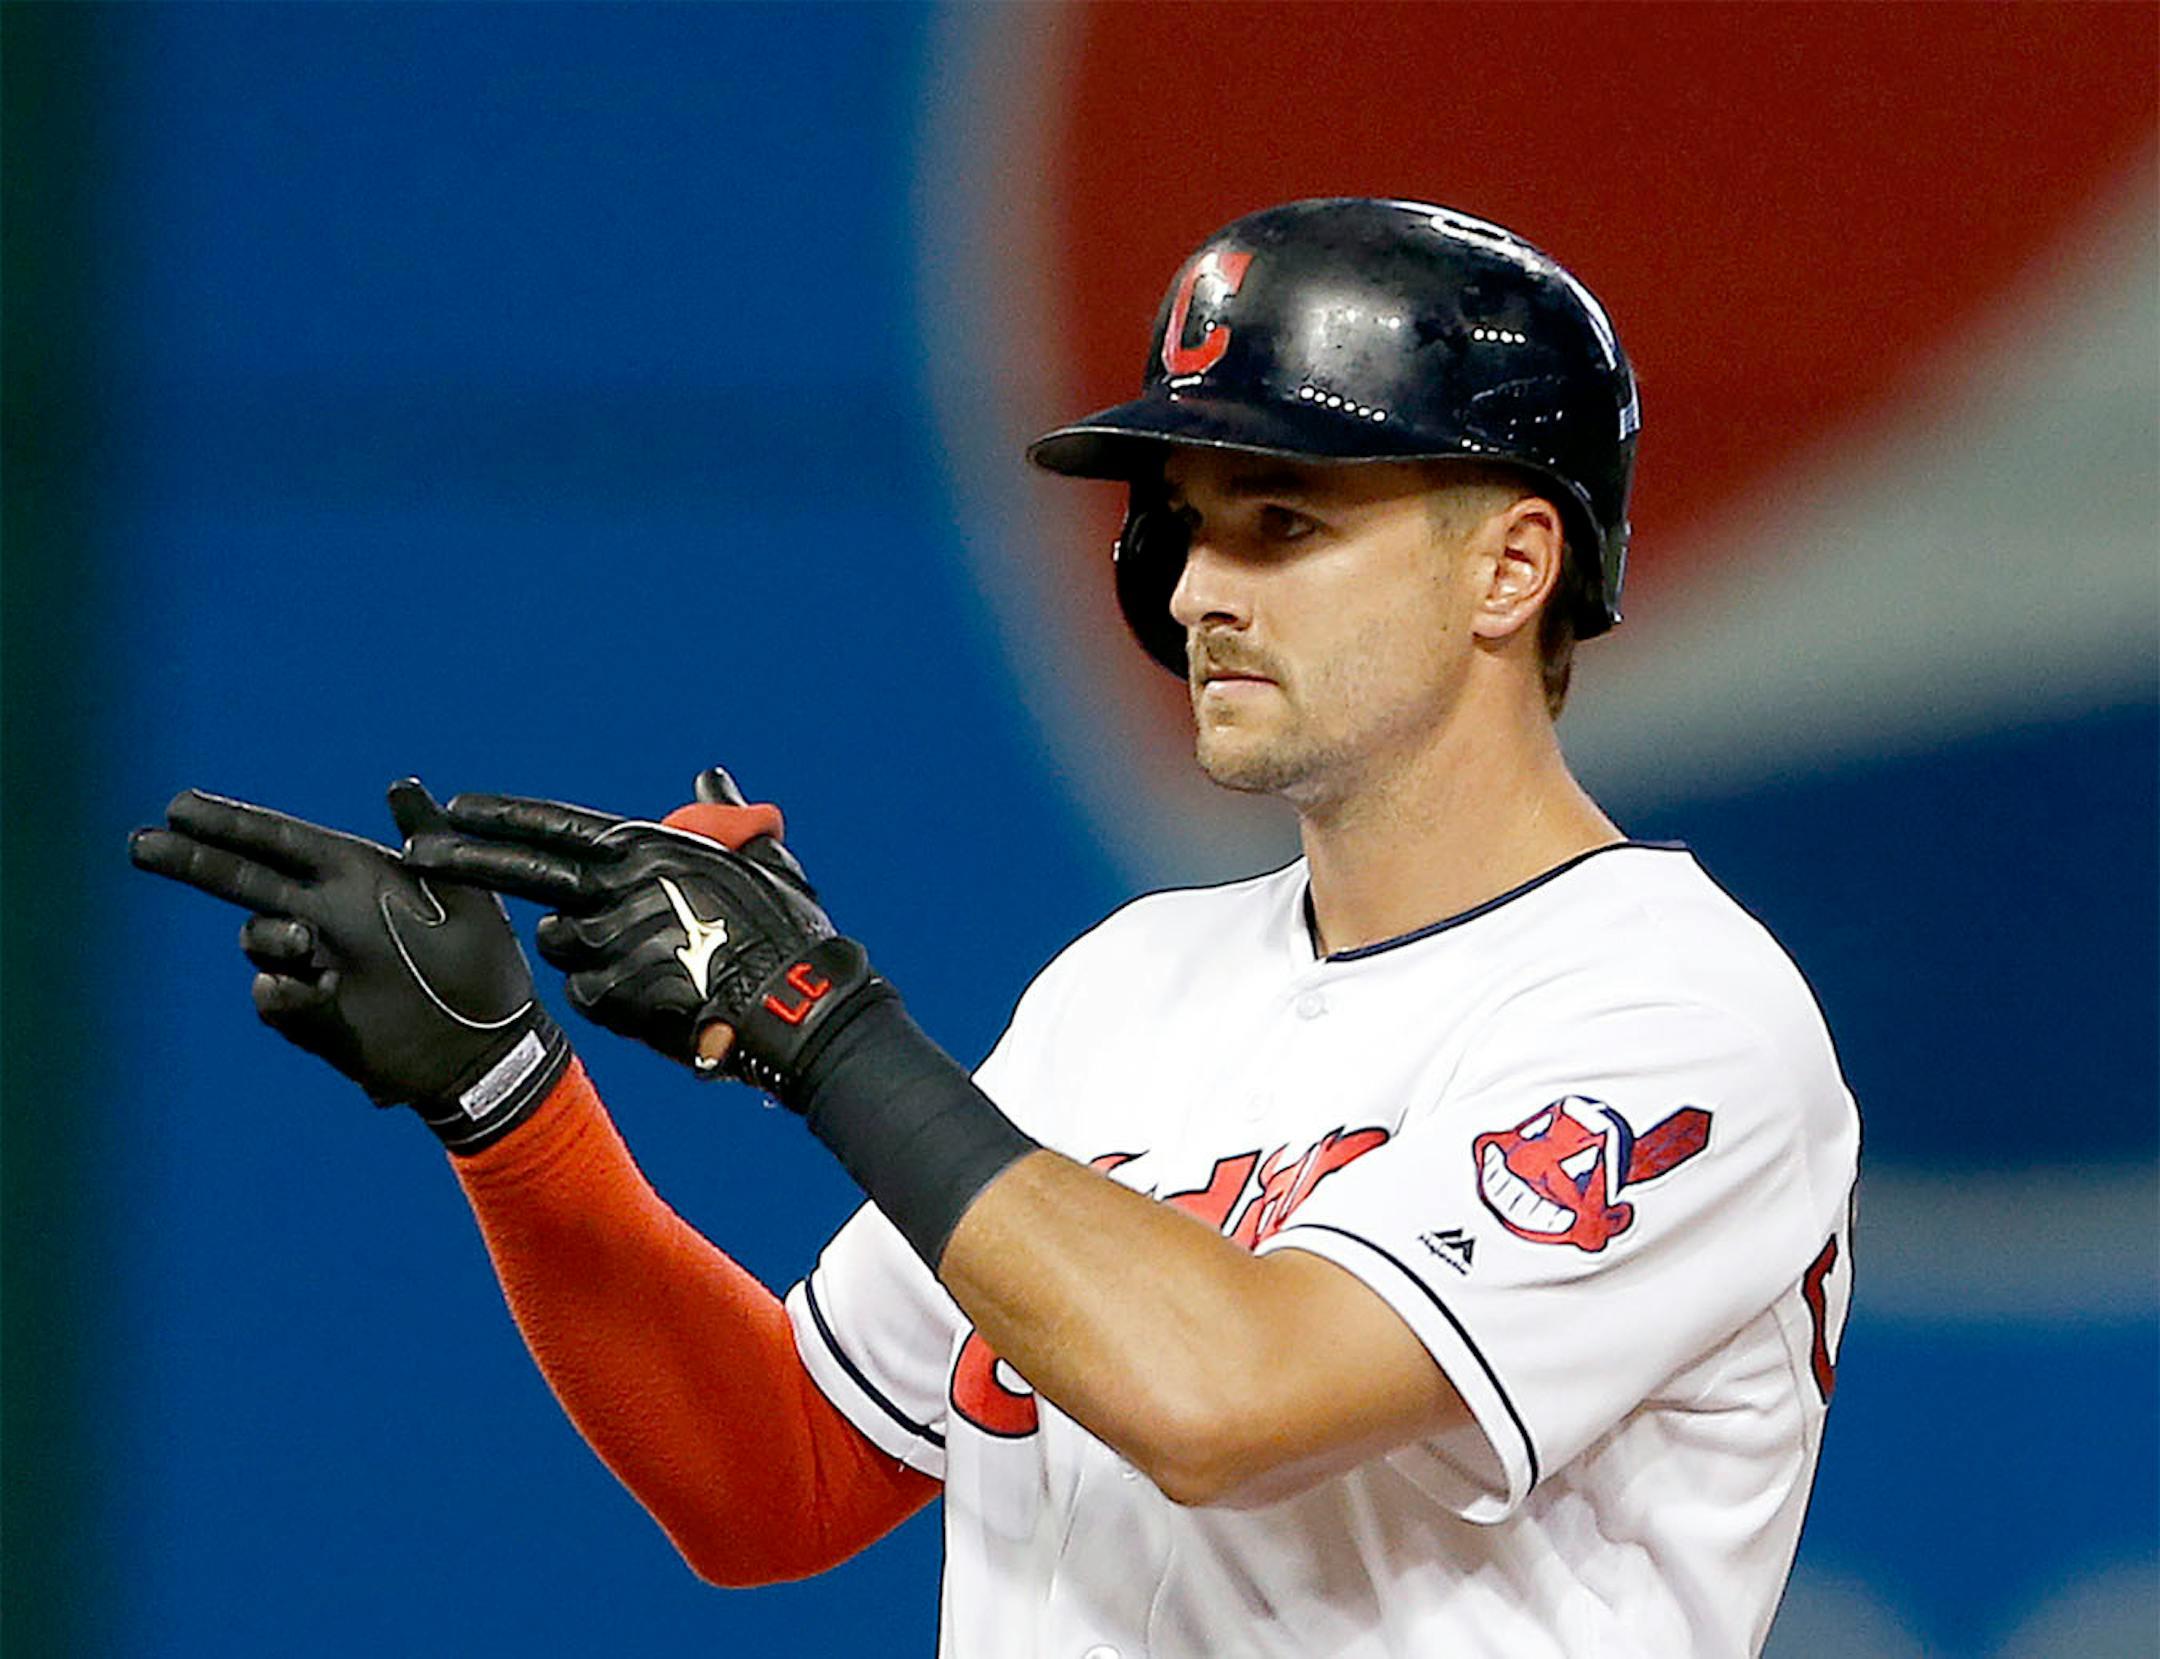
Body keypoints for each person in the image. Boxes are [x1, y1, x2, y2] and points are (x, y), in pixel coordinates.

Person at [131, 198, 1859, 1658]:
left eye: (1285, 522)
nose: (1194, 589)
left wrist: (818, 1023)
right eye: (1182, 527)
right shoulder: (1135, 988)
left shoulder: (1675, 1013)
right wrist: (505, 1102)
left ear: (1513, 568)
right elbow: (781, 1480)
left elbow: (1225, 1395)